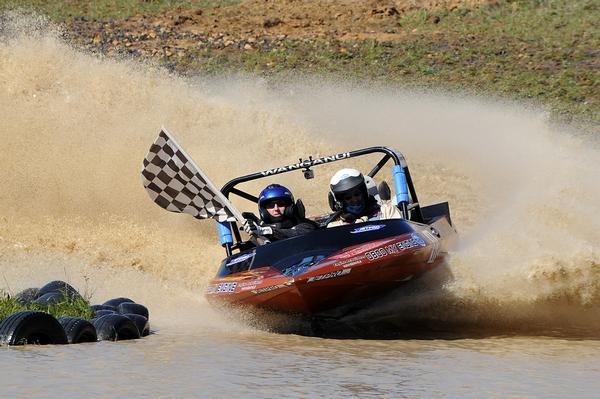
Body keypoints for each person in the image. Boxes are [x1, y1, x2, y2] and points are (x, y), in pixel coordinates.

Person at [327, 168, 402, 228]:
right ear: (340, 202)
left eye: (357, 194)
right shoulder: (335, 227)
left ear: (364, 194)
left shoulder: (386, 211)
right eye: (348, 198)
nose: (355, 200)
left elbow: (402, 233)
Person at [243, 184, 317, 241]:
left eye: (281, 204)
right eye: (271, 205)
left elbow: (298, 233)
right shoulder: (259, 235)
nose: (276, 209)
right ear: (264, 210)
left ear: (289, 207)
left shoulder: (305, 225)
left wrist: (266, 230)